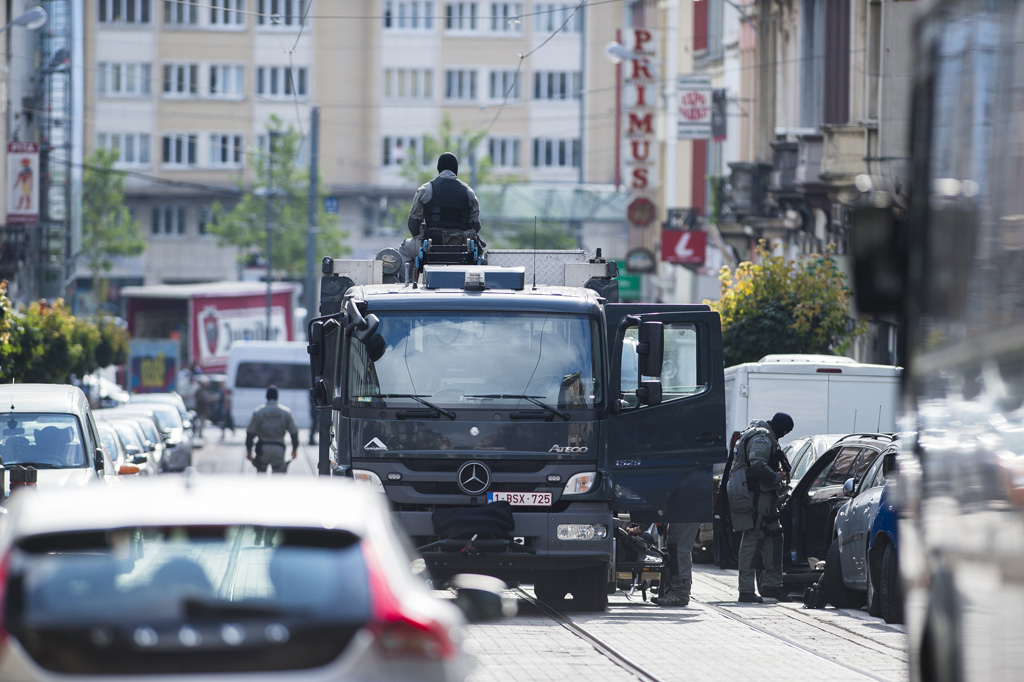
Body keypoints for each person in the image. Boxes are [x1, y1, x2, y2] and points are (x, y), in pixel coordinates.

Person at [730, 412, 794, 603]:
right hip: (756, 497)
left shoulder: (762, 434)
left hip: (765, 497)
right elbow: (757, 465)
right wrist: (777, 477)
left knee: (774, 538)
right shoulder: (762, 437)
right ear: (783, 429)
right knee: (753, 538)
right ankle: (746, 590)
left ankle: (772, 585)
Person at [407, 152, 482, 245]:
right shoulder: (469, 192)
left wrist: (420, 239)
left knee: (403, 250)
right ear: (456, 169)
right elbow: (475, 226)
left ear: (439, 168)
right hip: (461, 247)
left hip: (430, 245)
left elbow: (413, 223)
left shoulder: (425, 190)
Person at [245, 385, 300, 474]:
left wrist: (249, 450)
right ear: (277, 396)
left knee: (261, 477)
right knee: (277, 480)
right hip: (279, 448)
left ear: (266, 396)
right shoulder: (286, 412)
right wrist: (294, 449)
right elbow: (294, 432)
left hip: (263, 449)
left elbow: (250, 433)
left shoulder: (259, 411)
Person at [651, 522, 700, 607]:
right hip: (683, 514)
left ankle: (679, 593)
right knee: (676, 549)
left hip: (684, 515)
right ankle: (677, 589)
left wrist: (642, 526)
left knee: (679, 549)